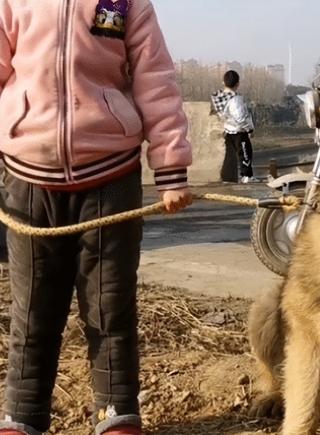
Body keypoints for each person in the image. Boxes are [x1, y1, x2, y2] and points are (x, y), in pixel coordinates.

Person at [0, 1, 192, 435]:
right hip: (28, 179)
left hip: (111, 176)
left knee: (109, 306)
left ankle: (115, 414)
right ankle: (22, 416)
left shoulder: (126, 3)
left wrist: (171, 168)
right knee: (32, 310)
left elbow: (155, 79)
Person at [211, 71, 257, 184]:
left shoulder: (219, 97)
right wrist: (249, 128)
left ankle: (227, 178)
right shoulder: (235, 99)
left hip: (228, 130)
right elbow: (241, 117)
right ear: (238, 83)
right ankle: (247, 176)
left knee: (230, 157)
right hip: (239, 131)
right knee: (245, 153)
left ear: (223, 82)